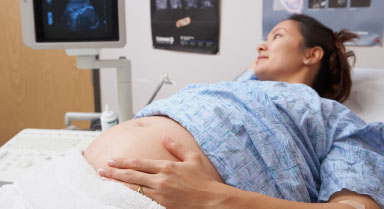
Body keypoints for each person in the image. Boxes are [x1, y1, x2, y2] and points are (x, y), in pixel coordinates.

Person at [87, 14, 383, 209]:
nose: (261, 45)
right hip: (79, 179)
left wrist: (216, 197)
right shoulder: (232, 89)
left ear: (311, 54)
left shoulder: (335, 118)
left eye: (277, 36)